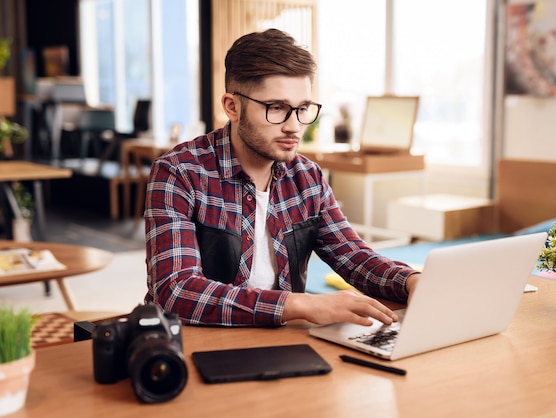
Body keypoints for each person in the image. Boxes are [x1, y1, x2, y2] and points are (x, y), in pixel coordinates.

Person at [144, 28, 420, 327]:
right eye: (276, 108)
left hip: (282, 340)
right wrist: (300, 304)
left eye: (302, 109)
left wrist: (411, 281)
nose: (294, 126)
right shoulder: (179, 172)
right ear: (232, 106)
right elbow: (175, 290)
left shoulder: (307, 176)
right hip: (195, 341)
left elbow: (352, 256)